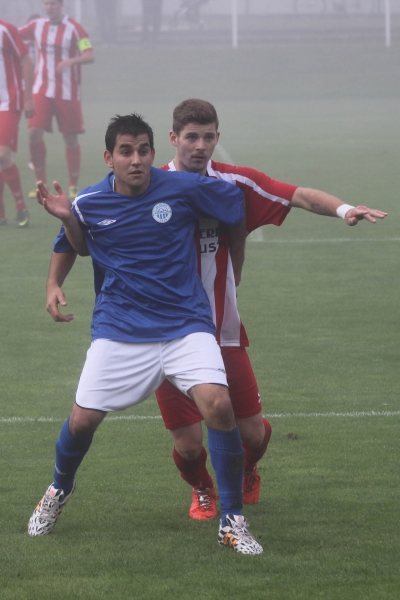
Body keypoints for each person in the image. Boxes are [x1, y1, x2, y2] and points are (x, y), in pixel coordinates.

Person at [45, 100, 387, 522]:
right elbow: (82, 231)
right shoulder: (143, 183)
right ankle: (203, 489)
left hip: (220, 329)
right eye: (191, 137)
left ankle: (244, 475)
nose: (200, 146)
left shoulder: (232, 183)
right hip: (163, 330)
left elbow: (295, 194)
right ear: (173, 139)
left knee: (253, 434)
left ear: (217, 139)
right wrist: (55, 280)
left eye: (208, 138)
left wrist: (344, 209)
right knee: (189, 446)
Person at [29, 113, 264, 556]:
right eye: (126, 151)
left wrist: (237, 258)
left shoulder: (183, 187)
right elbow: (73, 245)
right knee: (82, 421)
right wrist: (52, 283)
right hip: (120, 328)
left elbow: (235, 204)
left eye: (143, 150)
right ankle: (58, 489)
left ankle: (232, 520)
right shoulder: (90, 202)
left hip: (186, 324)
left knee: (219, 404)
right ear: (109, 158)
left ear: (154, 153)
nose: (135, 159)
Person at [19, 0, 95, 200]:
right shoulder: (36, 26)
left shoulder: (75, 29)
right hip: (41, 89)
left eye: (53, 3)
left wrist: (72, 60)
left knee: (70, 138)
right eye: (46, 3)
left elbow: (89, 55)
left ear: (61, 5)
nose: (49, 7)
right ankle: (41, 184)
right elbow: (14, 36)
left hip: (67, 92)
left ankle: (73, 185)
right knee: (33, 133)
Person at [0, 20, 35, 227]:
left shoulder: (5, 29)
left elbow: (26, 60)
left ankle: (21, 206)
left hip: (9, 101)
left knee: (3, 154)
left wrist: (28, 97)